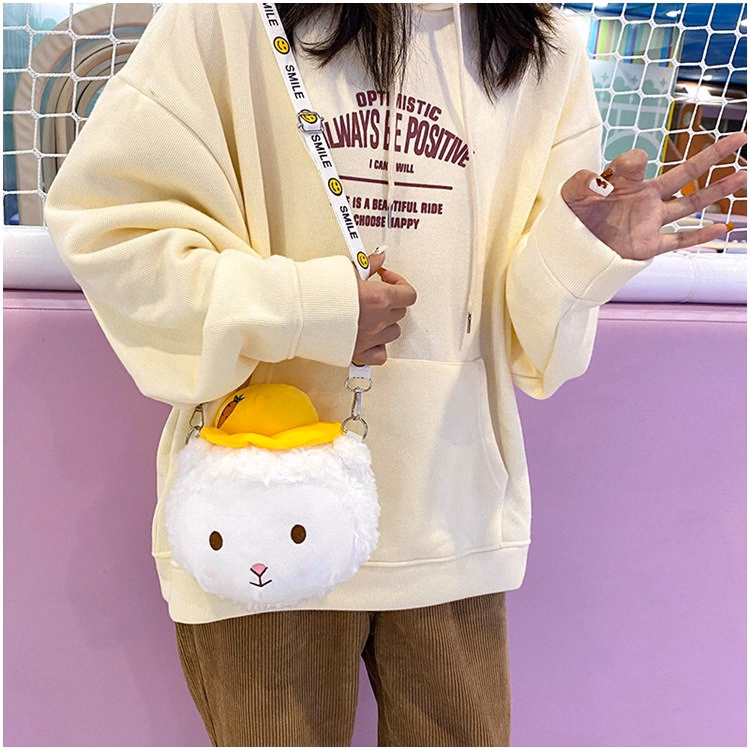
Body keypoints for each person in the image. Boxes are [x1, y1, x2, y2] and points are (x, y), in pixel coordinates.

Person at [42, 2, 745, 746]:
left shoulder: (541, 47)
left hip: (448, 515)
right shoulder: (227, 17)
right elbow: (112, 228)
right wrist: (309, 309)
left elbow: (528, 341)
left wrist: (578, 253)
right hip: (262, 510)